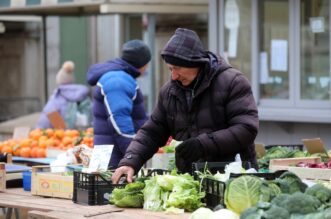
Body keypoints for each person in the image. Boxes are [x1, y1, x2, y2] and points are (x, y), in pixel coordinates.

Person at [112, 28, 259, 183]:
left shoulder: (233, 82)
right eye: (170, 69)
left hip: (234, 179)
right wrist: (130, 161)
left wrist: (203, 144)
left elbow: (246, 129)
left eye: (178, 68)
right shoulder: (169, 92)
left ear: (196, 63)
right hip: (190, 180)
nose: (173, 76)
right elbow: (152, 132)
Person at [86, 39, 151, 168]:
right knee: (111, 188)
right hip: (114, 159)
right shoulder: (118, 80)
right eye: (147, 63)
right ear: (141, 62)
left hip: (113, 155)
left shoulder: (121, 78)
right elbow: (120, 123)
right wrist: (132, 156)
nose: (147, 67)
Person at [36, 61, 91, 129]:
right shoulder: (83, 95)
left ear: (59, 80)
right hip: (84, 135)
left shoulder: (57, 97)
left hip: (62, 136)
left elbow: (45, 121)